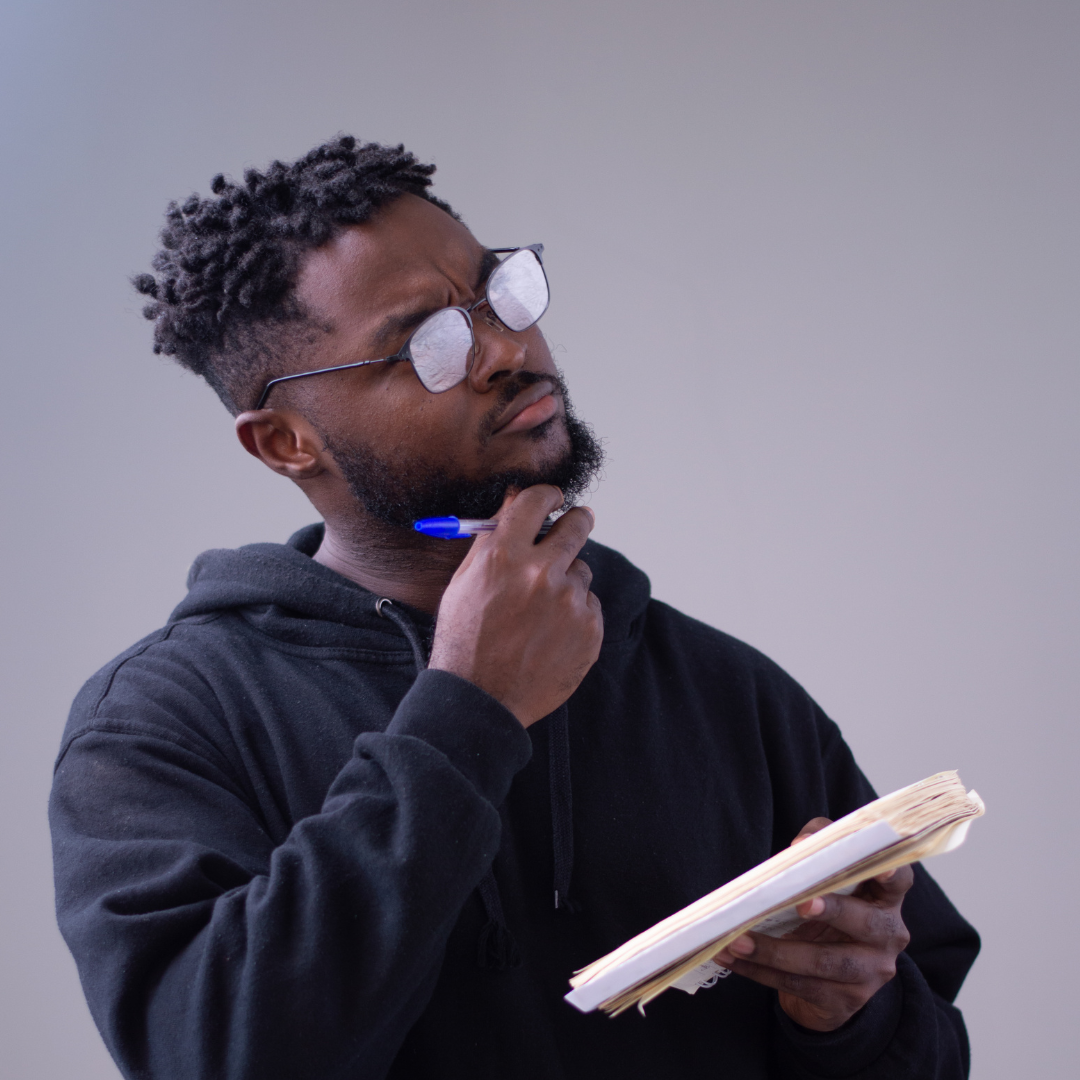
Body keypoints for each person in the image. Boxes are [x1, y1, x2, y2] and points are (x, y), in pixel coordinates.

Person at [49, 136, 979, 1080]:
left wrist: (850, 1016)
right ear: (287, 441)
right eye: (427, 344)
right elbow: (220, 1057)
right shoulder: (162, 722)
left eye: (500, 294)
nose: (505, 349)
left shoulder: (724, 689)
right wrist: (469, 711)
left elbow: (930, 1048)